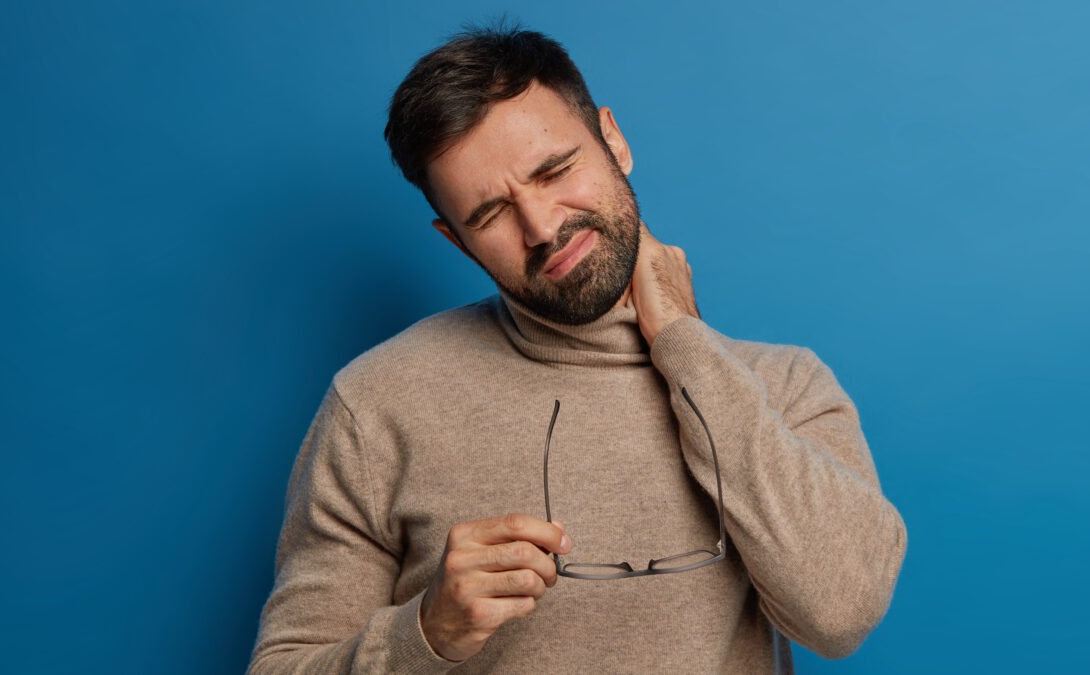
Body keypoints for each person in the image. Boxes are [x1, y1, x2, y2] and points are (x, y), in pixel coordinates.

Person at [247, 24, 907, 674]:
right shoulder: (377, 406)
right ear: (456, 241)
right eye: (490, 214)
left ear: (613, 141)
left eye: (555, 170)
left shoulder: (783, 385)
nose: (543, 227)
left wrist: (684, 339)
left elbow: (842, 612)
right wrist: (428, 630)